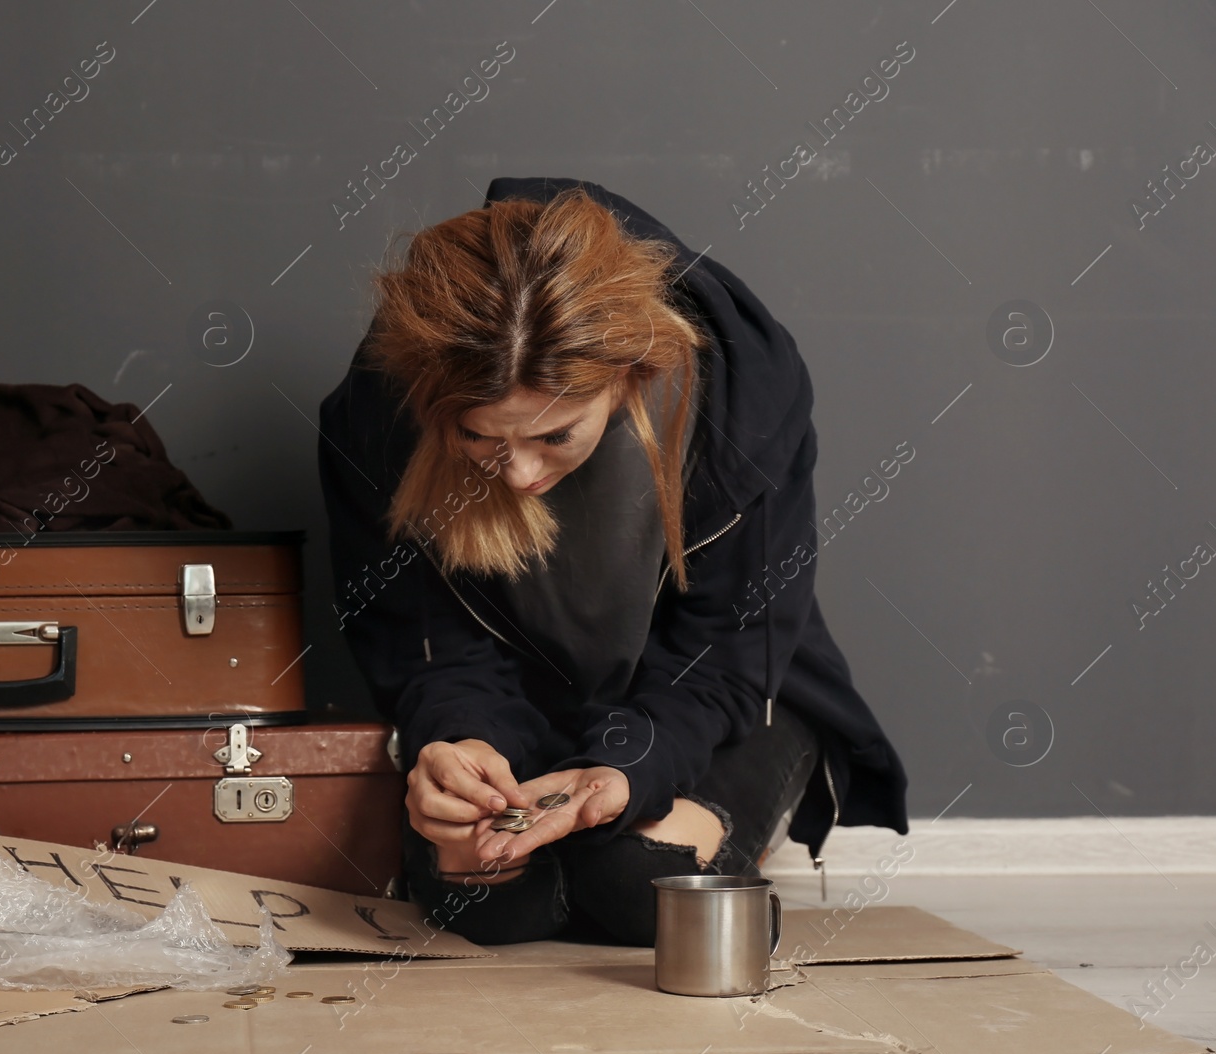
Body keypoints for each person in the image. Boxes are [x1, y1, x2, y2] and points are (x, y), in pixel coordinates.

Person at [317, 176, 908, 946]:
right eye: (481, 437)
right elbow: (426, 646)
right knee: (485, 901)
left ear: (633, 370)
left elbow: (729, 651)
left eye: (555, 434)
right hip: (523, 715)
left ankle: (686, 837)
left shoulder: (745, 390)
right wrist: (463, 742)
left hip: (719, 702)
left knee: (640, 887)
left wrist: (630, 769)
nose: (521, 474)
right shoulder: (377, 413)